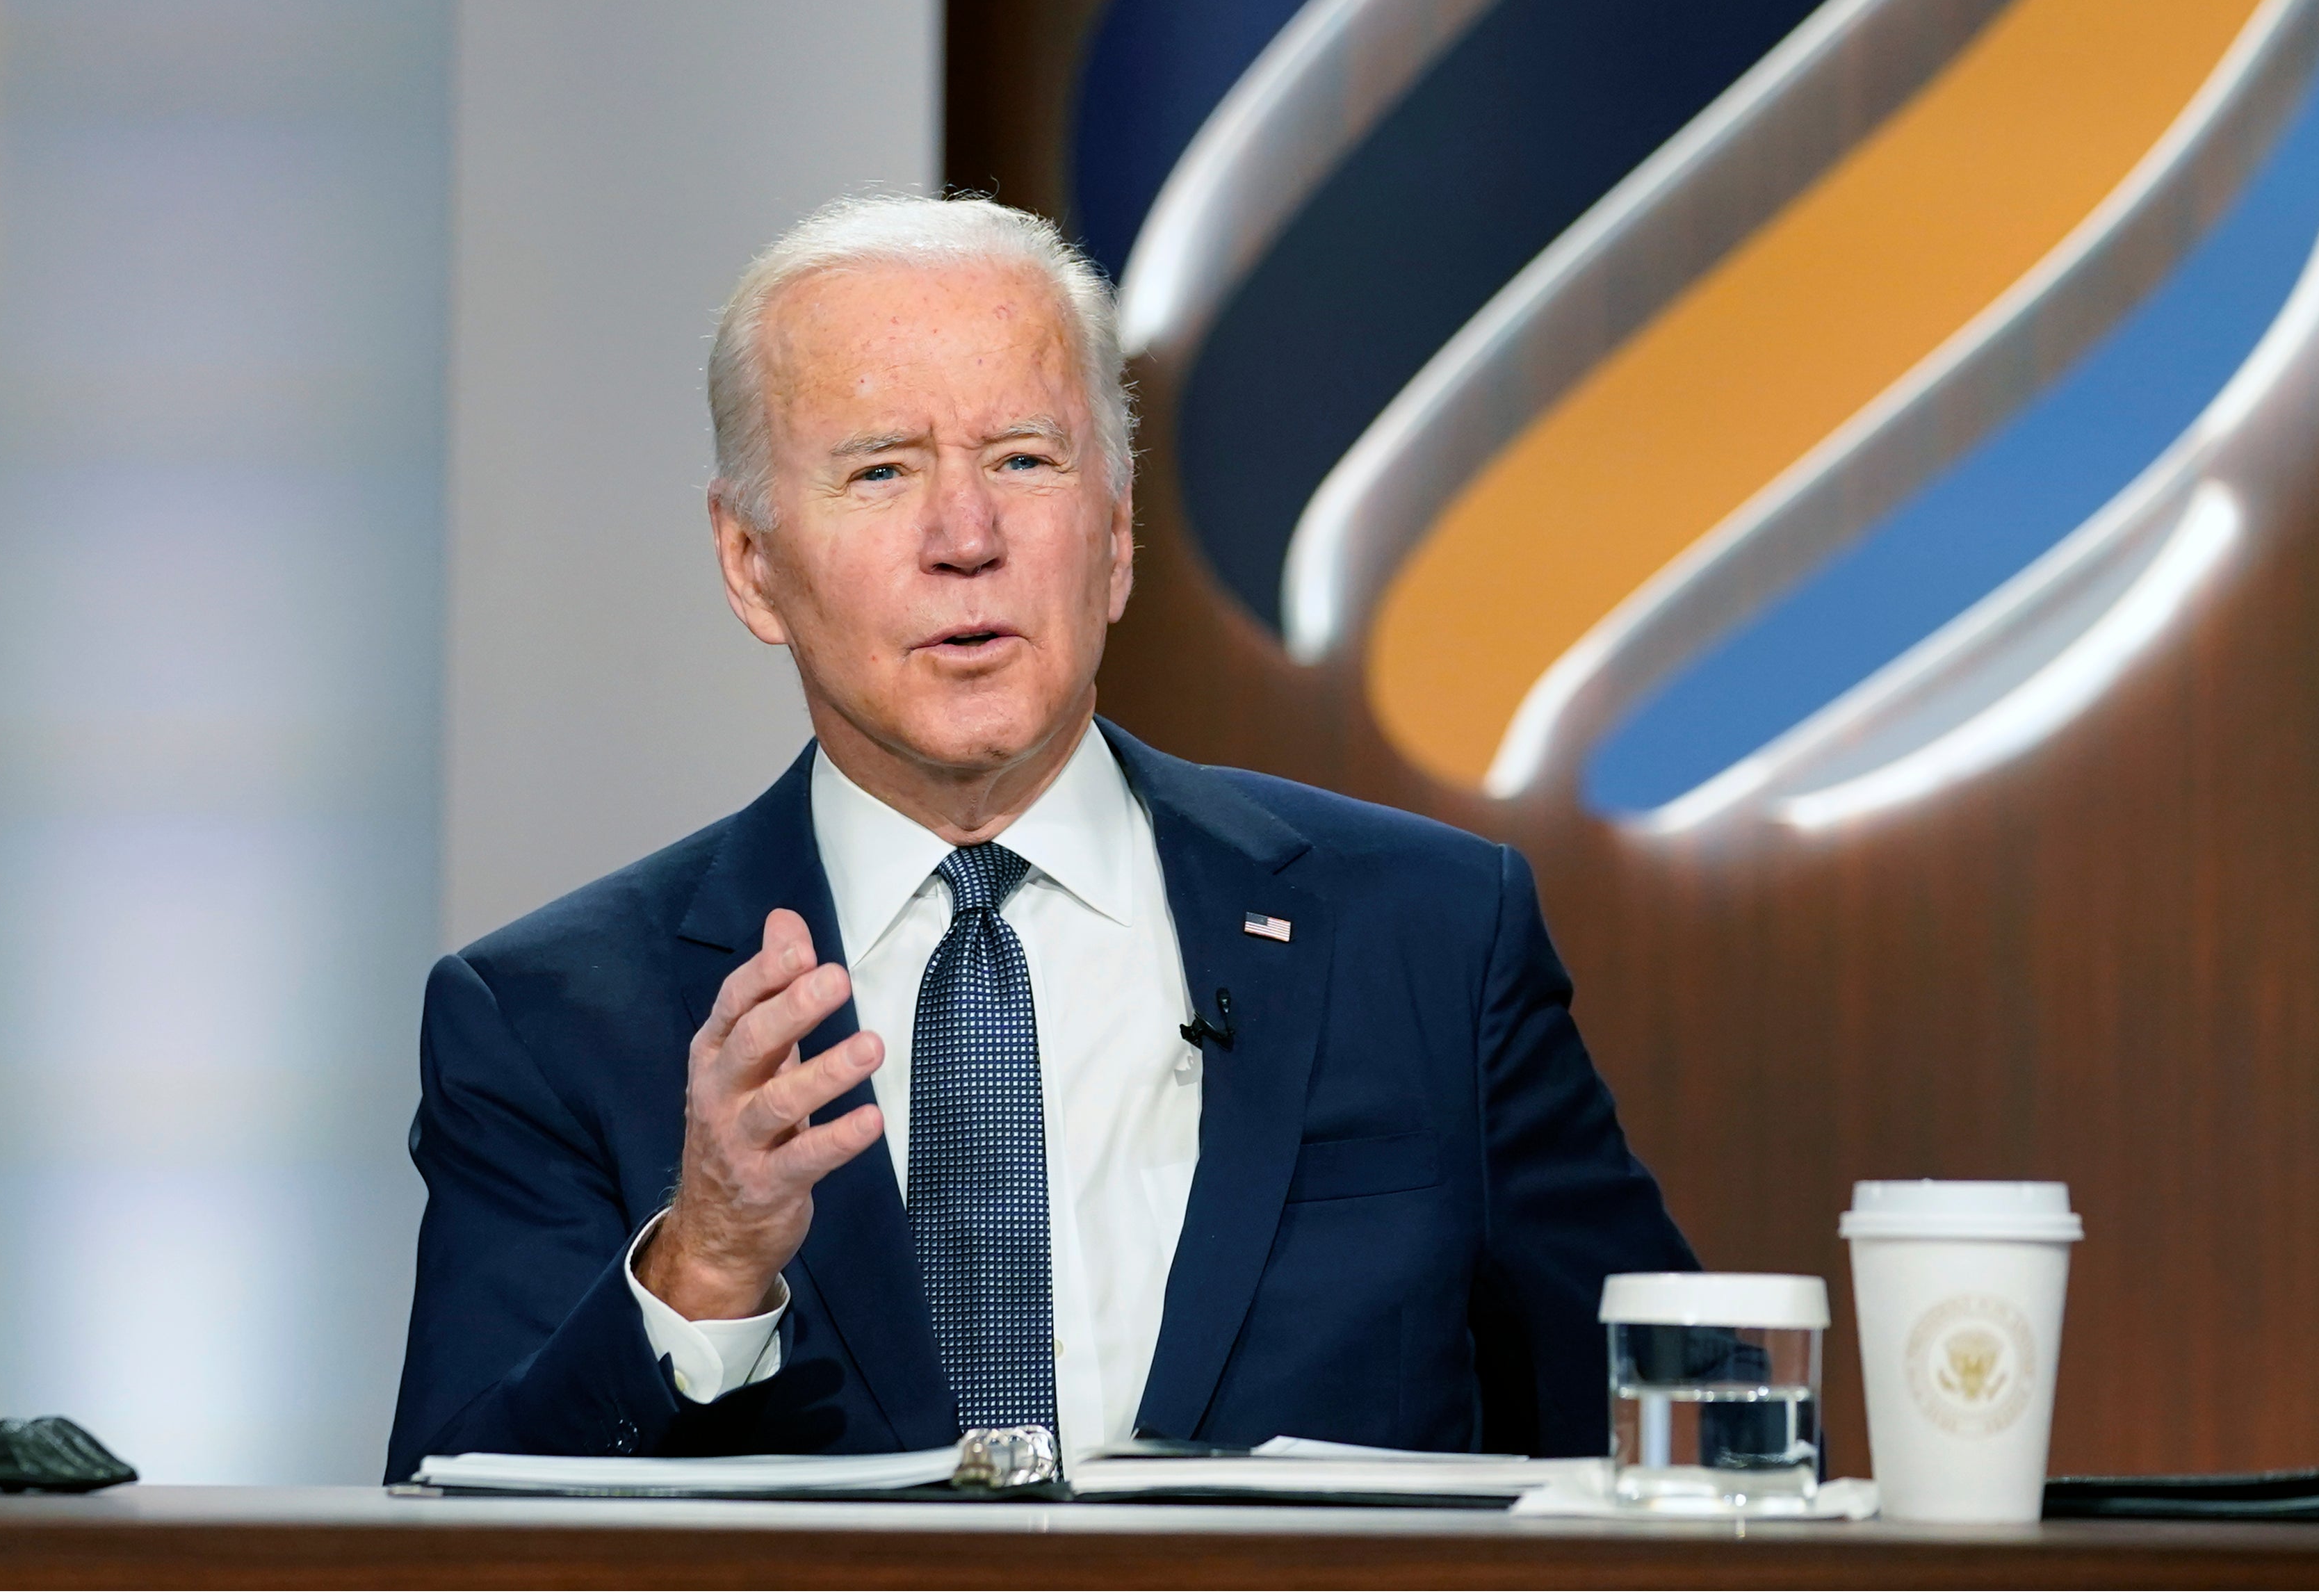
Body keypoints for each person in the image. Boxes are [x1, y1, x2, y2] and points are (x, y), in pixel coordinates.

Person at [385, 193, 1693, 1477]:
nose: (967, 538)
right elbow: (442, 1550)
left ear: (1114, 539)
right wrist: (705, 1268)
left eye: (1023, 459)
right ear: (751, 564)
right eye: (881, 470)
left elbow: (1674, 1447)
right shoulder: (549, 1022)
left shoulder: (1430, 936)